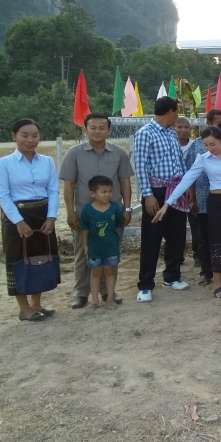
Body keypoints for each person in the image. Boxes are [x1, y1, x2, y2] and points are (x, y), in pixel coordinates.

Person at [154, 125, 221, 297]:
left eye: (212, 144)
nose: (209, 148)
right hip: (216, 203)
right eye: (206, 145)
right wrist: (167, 203)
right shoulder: (203, 159)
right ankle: (216, 284)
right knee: (217, 243)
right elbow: (186, 180)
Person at [60, 113, 133, 309]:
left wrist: (126, 208)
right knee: (83, 252)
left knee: (110, 252)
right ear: (85, 130)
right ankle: (81, 293)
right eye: (92, 127)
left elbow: (125, 181)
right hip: (85, 216)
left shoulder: (119, 153)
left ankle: (108, 291)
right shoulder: (74, 154)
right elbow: (69, 185)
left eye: (102, 128)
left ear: (109, 130)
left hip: (112, 214)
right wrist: (70, 212)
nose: (97, 131)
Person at [0, 119, 60, 322]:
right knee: (19, 261)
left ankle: (36, 304)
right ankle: (24, 309)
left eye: (35, 136)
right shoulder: (3, 164)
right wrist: (18, 222)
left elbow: (53, 190)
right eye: (25, 135)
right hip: (17, 216)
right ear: (14, 136)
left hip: (43, 215)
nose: (30, 140)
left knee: (41, 259)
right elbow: (2, 195)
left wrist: (51, 217)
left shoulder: (47, 161)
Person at [133, 97, 190, 303]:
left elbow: (179, 162)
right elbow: (140, 167)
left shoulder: (171, 134)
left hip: (176, 191)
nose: (177, 116)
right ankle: (145, 285)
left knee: (177, 236)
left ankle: (172, 276)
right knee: (152, 239)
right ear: (170, 112)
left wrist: (185, 186)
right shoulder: (145, 133)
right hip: (155, 192)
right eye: (177, 112)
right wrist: (148, 195)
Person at [183, 109, 221, 286]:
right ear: (208, 123)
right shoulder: (197, 146)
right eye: (218, 122)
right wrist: (192, 196)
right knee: (205, 238)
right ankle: (206, 272)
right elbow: (190, 172)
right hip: (203, 199)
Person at [80, 176, 123, 309]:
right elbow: (84, 229)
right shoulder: (87, 209)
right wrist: (85, 245)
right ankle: (94, 301)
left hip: (111, 248)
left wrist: (116, 245)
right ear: (93, 194)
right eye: (103, 192)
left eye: (110, 191)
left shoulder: (115, 208)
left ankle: (110, 298)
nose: (107, 194)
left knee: (110, 271)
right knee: (95, 273)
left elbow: (117, 226)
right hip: (94, 248)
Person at [174, 116, 199, 267]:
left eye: (186, 127)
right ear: (174, 128)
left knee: (195, 223)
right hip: (174, 189)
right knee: (176, 225)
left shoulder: (195, 146)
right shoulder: (170, 145)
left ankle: (198, 255)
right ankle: (177, 256)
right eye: (179, 127)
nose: (183, 130)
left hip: (192, 190)